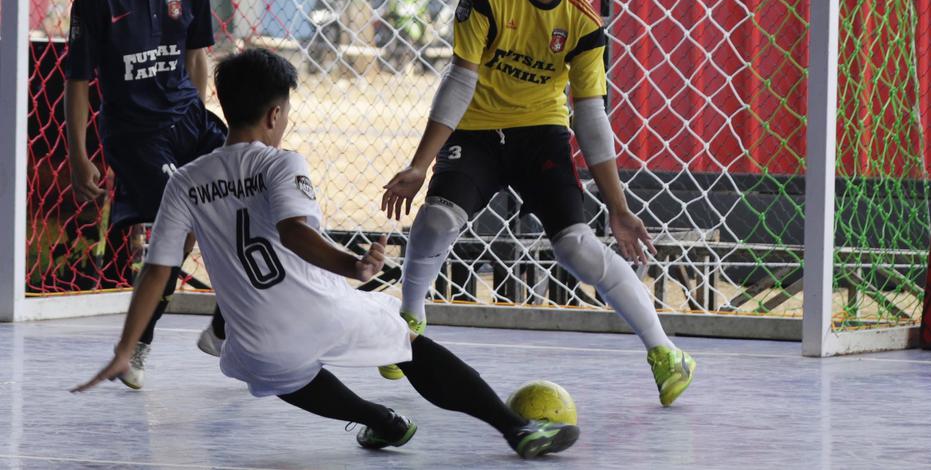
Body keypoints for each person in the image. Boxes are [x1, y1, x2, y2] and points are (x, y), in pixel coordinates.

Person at [73, 49, 579, 459]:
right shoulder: (281, 163)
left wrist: (126, 346)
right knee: (409, 347)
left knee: (276, 370)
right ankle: (516, 430)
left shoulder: (186, 180)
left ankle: (380, 421)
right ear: (275, 114)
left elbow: (157, 271)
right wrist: (351, 265)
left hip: (254, 345)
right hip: (321, 312)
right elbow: (295, 231)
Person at [380, 0, 696, 406]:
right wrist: (420, 164)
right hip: (477, 132)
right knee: (436, 219)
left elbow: (590, 115)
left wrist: (618, 208)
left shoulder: (584, 24)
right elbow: (460, 80)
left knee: (575, 247)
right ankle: (408, 323)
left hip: (540, 133)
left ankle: (665, 352)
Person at [65, 0, 227, 388]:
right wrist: (79, 156)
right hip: (134, 133)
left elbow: (199, 55)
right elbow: (79, 83)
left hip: (187, 120)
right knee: (186, 219)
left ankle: (218, 323)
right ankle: (140, 343)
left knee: (252, 184)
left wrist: (196, 113)